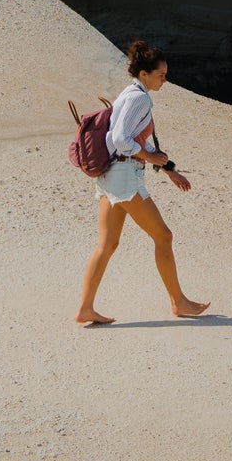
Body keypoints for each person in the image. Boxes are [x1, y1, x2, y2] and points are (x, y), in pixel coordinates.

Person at [76, 43, 211, 326]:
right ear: (144, 74)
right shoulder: (140, 99)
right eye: (161, 75)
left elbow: (137, 139)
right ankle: (178, 302)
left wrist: (169, 168)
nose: (165, 80)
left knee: (107, 244)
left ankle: (85, 308)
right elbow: (120, 139)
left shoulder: (130, 94)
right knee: (164, 236)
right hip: (125, 178)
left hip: (111, 176)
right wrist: (149, 156)